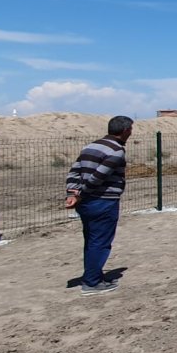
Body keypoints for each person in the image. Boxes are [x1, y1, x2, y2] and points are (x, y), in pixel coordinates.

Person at [64, 115, 134, 296]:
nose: (131, 133)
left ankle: (94, 275)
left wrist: (73, 192)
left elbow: (74, 170)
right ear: (125, 130)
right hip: (103, 201)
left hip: (87, 203)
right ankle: (92, 283)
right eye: (131, 129)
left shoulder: (91, 146)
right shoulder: (116, 151)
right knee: (100, 242)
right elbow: (98, 177)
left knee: (92, 240)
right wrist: (81, 194)